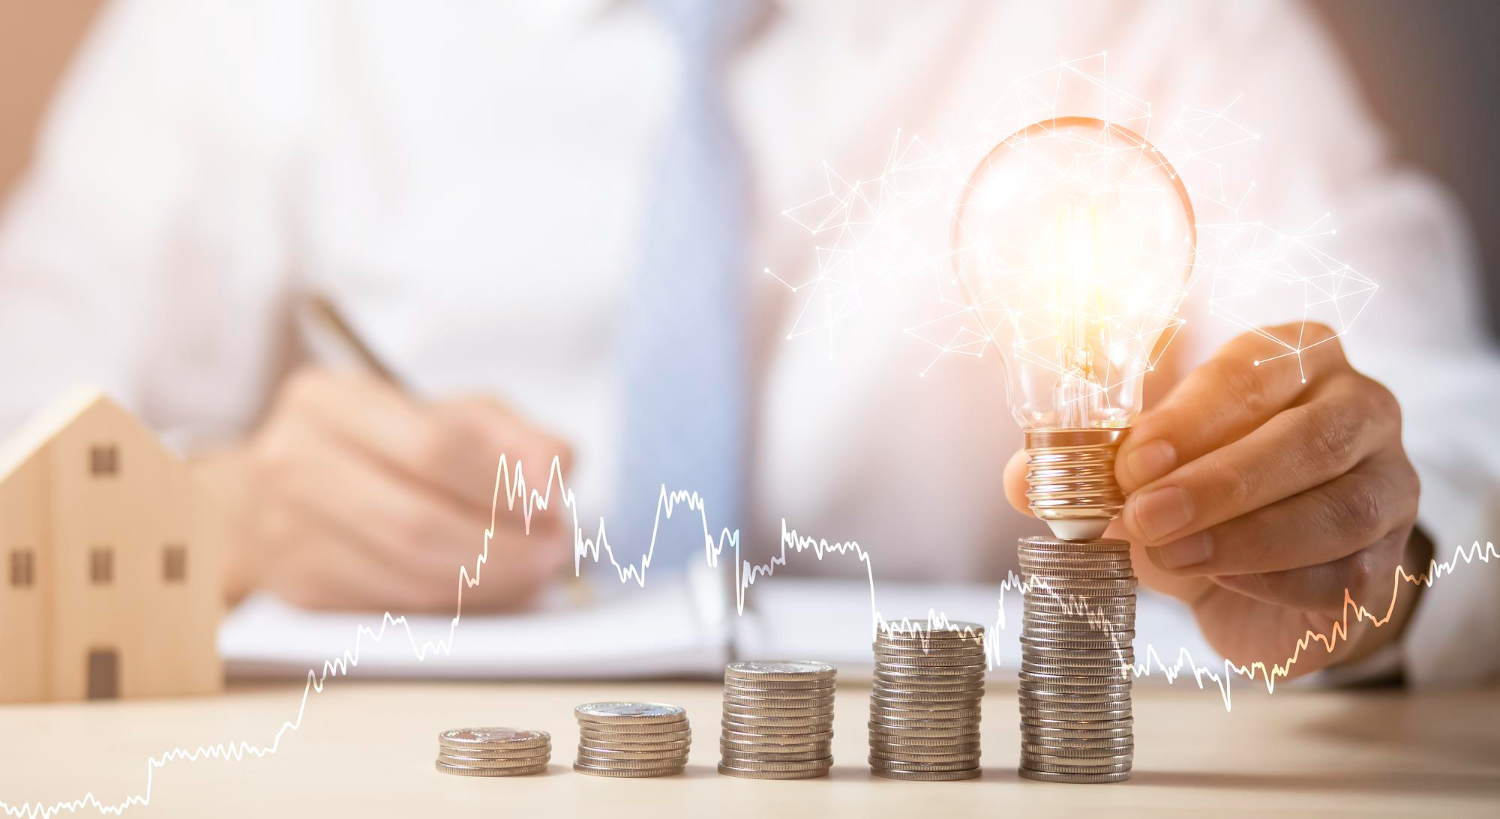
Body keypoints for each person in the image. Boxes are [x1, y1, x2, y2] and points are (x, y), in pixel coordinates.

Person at [0, 0, 1496, 687]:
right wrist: (228, 513)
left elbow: (1446, 453)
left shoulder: (1165, 26)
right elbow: (20, 439)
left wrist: (1358, 547)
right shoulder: (248, 28)